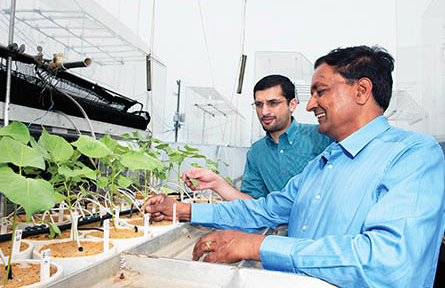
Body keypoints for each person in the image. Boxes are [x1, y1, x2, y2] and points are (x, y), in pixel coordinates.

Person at [144, 45, 445, 288]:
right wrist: (182, 210)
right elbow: (261, 209)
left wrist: (257, 247)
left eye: (320, 91)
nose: (311, 104)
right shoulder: (320, 166)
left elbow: (389, 264)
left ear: (361, 91)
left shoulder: (413, 156)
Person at [183, 74, 333, 201]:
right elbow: (253, 203)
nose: (264, 111)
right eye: (259, 104)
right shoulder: (257, 152)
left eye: (273, 103)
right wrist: (216, 184)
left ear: (292, 104)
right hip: (277, 231)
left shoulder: (321, 137)